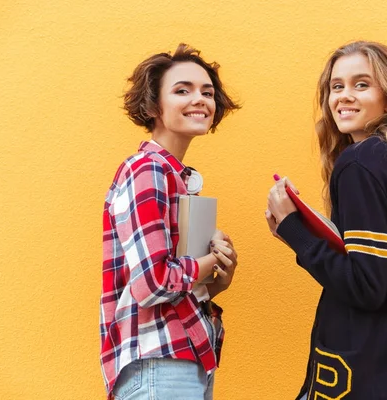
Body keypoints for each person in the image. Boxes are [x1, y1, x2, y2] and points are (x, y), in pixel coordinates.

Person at [265, 41, 387, 400]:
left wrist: (294, 231)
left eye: (361, 84)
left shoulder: (359, 164)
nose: (344, 96)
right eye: (336, 87)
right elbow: (379, 267)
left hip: (365, 375)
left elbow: (366, 285)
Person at [101, 43, 240, 400]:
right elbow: (151, 284)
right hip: (160, 365)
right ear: (153, 106)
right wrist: (207, 261)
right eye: (182, 90)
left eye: (207, 92)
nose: (200, 100)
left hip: (182, 359)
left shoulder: (174, 177)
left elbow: (170, 285)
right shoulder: (146, 170)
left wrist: (215, 277)